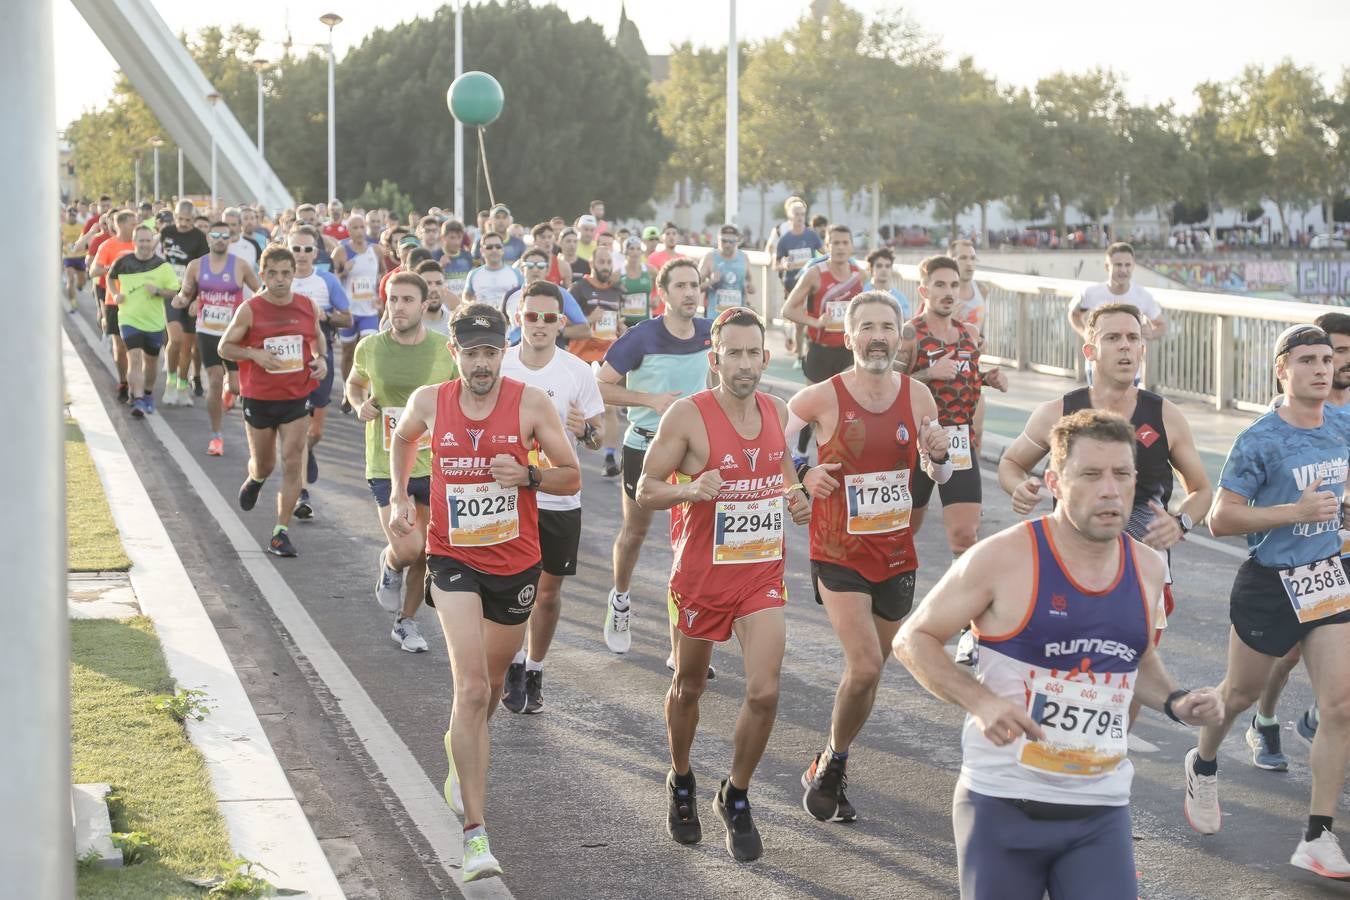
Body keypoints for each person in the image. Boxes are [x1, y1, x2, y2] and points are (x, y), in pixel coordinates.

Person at [893, 408, 1223, 900]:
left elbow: (1134, 653)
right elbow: (912, 639)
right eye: (1091, 474)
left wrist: (1176, 700)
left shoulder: (1149, 567)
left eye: (1122, 474)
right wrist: (982, 703)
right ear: (1053, 481)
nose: (1110, 489)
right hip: (1004, 806)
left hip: (1100, 811)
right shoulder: (1004, 556)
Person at [389, 303, 579, 882]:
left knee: (491, 688)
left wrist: (528, 476)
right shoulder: (431, 401)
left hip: (516, 566)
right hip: (452, 561)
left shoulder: (530, 404)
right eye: (470, 352)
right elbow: (401, 439)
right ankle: (476, 835)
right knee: (470, 686)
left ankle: (460, 745)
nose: (480, 363)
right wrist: (400, 498)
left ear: (503, 351)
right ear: (455, 354)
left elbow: (570, 474)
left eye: (490, 351)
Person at [637, 306, 810, 861]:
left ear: (766, 357)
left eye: (752, 352)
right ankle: (681, 777)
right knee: (690, 688)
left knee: (764, 691)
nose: (743, 363)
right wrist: (690, 490)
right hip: (701, 577)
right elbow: (646, 489)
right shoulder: (688, 417)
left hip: (760, 574)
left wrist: (796, 496)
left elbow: (783, 474)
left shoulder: (778, 410)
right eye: (732, 352)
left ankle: (735, 793)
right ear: (714, 359)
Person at [1184, 324, 1350, 879]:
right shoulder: (1260, 438)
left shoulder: (1344, 424)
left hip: (1326, 578)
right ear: (1282, 370)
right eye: (1308, 360)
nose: (1322, 369)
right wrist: (1293, 514)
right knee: (1238, 694)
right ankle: (1203, 765)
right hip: (1270, 582)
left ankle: (1317, 835)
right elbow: (1221, 518)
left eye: (1327, 359)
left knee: (1341, 705)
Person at [787, 290, 952, 823]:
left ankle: (831, 758)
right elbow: (771, 444)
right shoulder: (820, 397)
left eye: (888, 326)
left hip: (896, 554)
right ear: (849, 335)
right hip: (838, 551)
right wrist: (802, 475)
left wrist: (941, 457)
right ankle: (834, 764)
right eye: (868, 327)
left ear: (900, 335)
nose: (878, 336)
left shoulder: (920, 397)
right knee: (865, 665)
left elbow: (938, 475)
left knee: (870, 674)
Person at [596, 259, 714, 668]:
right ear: (662, 293)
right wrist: (649, 400)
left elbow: (714, 382)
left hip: (693, 451)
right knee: (635, 533)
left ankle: (683, 642)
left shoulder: (707, 333)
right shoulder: (640, 338)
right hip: (644, 447)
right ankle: (621, 599)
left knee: (693, 544)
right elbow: (600, 388)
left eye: (694, 285)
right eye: (680, 285)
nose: (688, 293)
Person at [1246, 311, 1350, 766]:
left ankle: (1322, 716)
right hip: (1305, 557)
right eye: (1334, 353)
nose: (1338, 363)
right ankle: (1265, 720)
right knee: (1286, 655)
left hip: (1342, 549)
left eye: (1342, 354)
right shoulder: (1287, 415)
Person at [498, 282, 605, 713]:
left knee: (545, 593)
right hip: (508, 497)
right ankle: (514, 661)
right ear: (517, 318)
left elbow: (599, 439)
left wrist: (586, 432)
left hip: (558, 498)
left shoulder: (576, 370)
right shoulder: (501, 365)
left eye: (548, 318)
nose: (539, 326)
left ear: (561, 322)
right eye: (531, 316)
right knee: (509, 589)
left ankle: (536, 667)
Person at [346, 270, 456, 653]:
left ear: (425, 304)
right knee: (409, 549)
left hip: (436, 462)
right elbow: (355, 383)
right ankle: (391, 563)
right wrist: (361, 405)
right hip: (386, 461)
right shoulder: (370, 347)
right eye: (393, 299)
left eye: (407, 299)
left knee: (428, 551)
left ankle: (406, 623)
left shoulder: (446, 349)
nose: (399, 307)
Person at [898, 255, 1009, 561]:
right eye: (940, 285)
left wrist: (988, 379)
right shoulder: (909, 334)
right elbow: (889, 385)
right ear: (924, 291)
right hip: (916, 442)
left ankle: (967, 606)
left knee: (965, 536)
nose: (948, 292)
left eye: (954, 285)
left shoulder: (969, 334)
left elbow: (966, 378)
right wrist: (928, 374)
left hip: (959, 441)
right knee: (903, 531)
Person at [218, 246, 328, 558]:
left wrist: (321, 360)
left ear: (294, 275)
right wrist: (254, 354)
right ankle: (256, 478)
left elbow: (317, 339)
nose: (280, 280)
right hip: (260, 397)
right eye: (273, 274)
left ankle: (281, 532)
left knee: (293, 460)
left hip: (296, 396)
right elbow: (225, 347)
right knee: (265, 463)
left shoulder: (307, 305)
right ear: (263, 275)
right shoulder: (250, 309)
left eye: (286, 274)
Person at [174, 221, 262, 456]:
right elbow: (185, 292)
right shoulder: (195, 266)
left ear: (230, 240)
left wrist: (252, 312)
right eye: (216, 235)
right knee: (213, 378)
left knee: (235, 386)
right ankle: (216, 437)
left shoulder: (241, 266)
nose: (221, 239)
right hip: (207, 330)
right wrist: (183, 301)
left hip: (234, 332)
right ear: (209, 239)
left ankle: (228, 389)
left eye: (225, 236)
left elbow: (259, 291)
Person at [782, 224, 865, 459]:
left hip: (849, 352)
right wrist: (816, 322)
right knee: (814, 408)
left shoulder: (860, 275)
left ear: (851, 246)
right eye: (834, 243)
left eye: (844, 243)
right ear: (827, 246)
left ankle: (838, 456)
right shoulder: (815, 274)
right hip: (820, 351)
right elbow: (788, 310)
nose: (839, 248)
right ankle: (801, 452)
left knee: (847, 407)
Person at [288, 224, 353, 517]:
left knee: (316, 431)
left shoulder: (326, 280)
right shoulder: (280, 280)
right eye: (295, 249)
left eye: (306, 249)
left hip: (320, 359)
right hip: (289, 364)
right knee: (299, 427)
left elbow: (347, 318)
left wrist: (326, 315)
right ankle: (302, 493)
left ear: (316, 252)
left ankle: (309, 450)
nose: (301, 255)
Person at [109, 225, 181, 418]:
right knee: (133, 358)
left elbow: (174, 291)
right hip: (128, 318)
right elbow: (110, 278)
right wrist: (116, 295)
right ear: (134, 242)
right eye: (140, 240)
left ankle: (148, 393)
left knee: (151, 362)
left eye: (148, 240)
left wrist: (157, 291)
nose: (144, 244)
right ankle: (138, 400)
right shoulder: (123, 262)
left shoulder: (162, 266)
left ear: (153, 242)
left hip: (154, 322)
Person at [1069, 243, 1166, 386]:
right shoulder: (1091, 293)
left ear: (1133, 266)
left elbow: (1161, 325)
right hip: (1097, 368)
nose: (1123, 270)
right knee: (1100, 409)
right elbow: (1074, 314)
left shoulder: (1143, 296)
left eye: (1127, 265)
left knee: (1127, 409)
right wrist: (1085, 333)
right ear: (1107, 267)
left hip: (1130, 370)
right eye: (1118, 265)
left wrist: (1151, 333)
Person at [569, 246, 626, 476]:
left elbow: (617, 322)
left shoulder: (617, 291)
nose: (605, 265)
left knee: (609, 407)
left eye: (608, 262)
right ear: (592, 264)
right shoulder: (579, 288)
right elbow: (565, 327)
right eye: (601, 261)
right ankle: (566, 452)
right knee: (573, 409)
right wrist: (587, 320)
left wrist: (621, 328)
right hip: (581, 356)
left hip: (605, 357)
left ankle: (610, 457)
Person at [159, 200, 211, 405]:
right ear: (175, 216)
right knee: (175, 339)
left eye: (188, 220)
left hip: (191, 295)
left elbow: (205, 271)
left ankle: (182, 385)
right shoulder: (166, 232)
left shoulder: (199, 238)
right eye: (180, 219)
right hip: (171, 294)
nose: (183, 223)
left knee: (188, 346)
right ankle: (170, 382)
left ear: (193, 219)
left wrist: (198, 299)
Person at [333, 214, 388, 394]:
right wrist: (343, 272)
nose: (359, 231)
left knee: (367, 348)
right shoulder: (341, 251)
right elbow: (333, 280)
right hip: (347, 311)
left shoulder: (376, 250)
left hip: (369, 310)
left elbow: (383, 275)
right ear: (348, 231)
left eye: (361, 227)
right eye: (354, 228)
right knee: (348, 352)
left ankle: (365, 389)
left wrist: (380, 295)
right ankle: (347, 391)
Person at [89, 210, 137, 402]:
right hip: (114, 300)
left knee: (134, 346)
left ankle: (136, 383)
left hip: (138, 302)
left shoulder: (140, 244)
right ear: (121, 225)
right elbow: (94, 271)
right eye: (132, 223)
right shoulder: (108, 246)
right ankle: (123, 381)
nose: (135, 226)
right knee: (119, 345)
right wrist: (112, 268)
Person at [699, 224, 756, 318]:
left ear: (737, 241)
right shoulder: (710, 258)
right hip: (714, 317)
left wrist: (750, 287)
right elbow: (695, 287)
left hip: (737, 316)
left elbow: (751, 286)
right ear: (718, 240)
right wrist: (711, 281)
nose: (727, 245)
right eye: (723, 241)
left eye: (731, 241)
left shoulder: (744, 258)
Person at [463, 233, 524, 312]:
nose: (494, 250)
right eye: (489, 247)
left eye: (498, 247)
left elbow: (523, 297)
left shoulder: (516, 273)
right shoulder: (473, 274)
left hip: (508, 321)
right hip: (482, 320)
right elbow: (466, 297)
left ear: (503, 249)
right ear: (482, 251)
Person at [618, 236, 658, 327]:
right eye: (631, 248)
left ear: (641, 251)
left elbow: (663, 283)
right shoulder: (618, 273)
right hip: (624, 323)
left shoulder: (650, 270)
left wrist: (657, 297)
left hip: (645, 322)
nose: (635, 252)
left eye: (638, 249)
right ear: (626, 251)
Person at [864, 247, 910, 321]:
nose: (884, 269)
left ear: (891, 269)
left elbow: (905, 322)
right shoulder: (861, 293)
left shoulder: (900, 298)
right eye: (879, 266)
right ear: (871, 268)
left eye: (887, 266)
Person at [439, 219, 475, 307]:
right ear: (443, 237)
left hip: (463, 305)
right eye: (452, 237)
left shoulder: (468, 257)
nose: (456, 242)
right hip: (444, 305)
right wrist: (440, 267)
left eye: (459, 237)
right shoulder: (435, 255)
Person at [61, 206, 87, 312]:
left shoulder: (82, 226)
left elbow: (86, 241)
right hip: (68, 257)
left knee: (81, 282)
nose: (71, 217)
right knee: (70, 280)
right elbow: (59, 243)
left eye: (73, 215)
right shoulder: (62, 227)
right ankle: (73, 303)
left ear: (76, 215)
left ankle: (80, 285)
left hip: (80, 256)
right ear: (66, 214)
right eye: (69, 214)